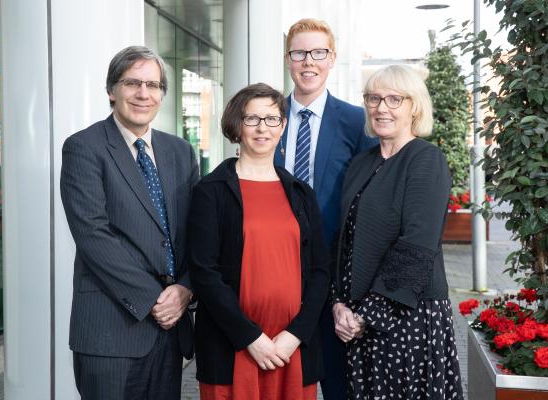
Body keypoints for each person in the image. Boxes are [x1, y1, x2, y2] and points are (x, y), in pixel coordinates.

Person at [60, 46, 198, 400]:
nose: (143, 93)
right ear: (112, 90)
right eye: (132, 83)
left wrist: (185, 289)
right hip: (112, 329)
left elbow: (195, 232)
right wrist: (156, 300)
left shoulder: (180, 152)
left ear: (162, 95)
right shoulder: (84, 147)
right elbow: (93, 236)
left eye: (153, 85)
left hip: (170, 330)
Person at [188, 83, 331, 399]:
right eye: (252, 119)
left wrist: (295, 335)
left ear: (282, 126)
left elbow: (322, 270)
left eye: (272, 119)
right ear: (236, 126)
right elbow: (203, 272)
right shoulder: (209, 192)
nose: (262, 128)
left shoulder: (301, 194)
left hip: (290, 348)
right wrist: (252, 338)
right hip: (234, 346)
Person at [330, 65, 464, 399]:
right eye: (373, 98)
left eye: (394, 99)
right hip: (359, 319)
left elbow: (417, 244)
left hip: (408, 317)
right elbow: (344, 240)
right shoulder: (362, 162)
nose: (381, 107)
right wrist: (339, 304)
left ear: (414, 106)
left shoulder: (426, 159)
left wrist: (368, 314)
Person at [273, 18, 378, 399]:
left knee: (338, 382)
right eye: (299, 52)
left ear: (332, 59)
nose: (308, 62)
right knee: (282, 380)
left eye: (318, 52)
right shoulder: (268, 118)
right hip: (276, 270)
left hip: (335, 273)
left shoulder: (356, 122)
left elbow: (371, 200)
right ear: (288, 59)